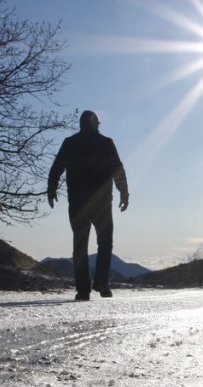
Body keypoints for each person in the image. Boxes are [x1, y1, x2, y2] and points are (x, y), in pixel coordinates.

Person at [47, 110, 129, 300]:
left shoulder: (70, 143)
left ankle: (83, 290)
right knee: (105, 243)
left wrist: (51, 190)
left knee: (80, 246)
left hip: (77, 202)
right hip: (101, 203)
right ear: (95, 125)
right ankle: (101, 283)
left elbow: (56, 168)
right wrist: (124, 193)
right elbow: (118, 169)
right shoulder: (106, 143)